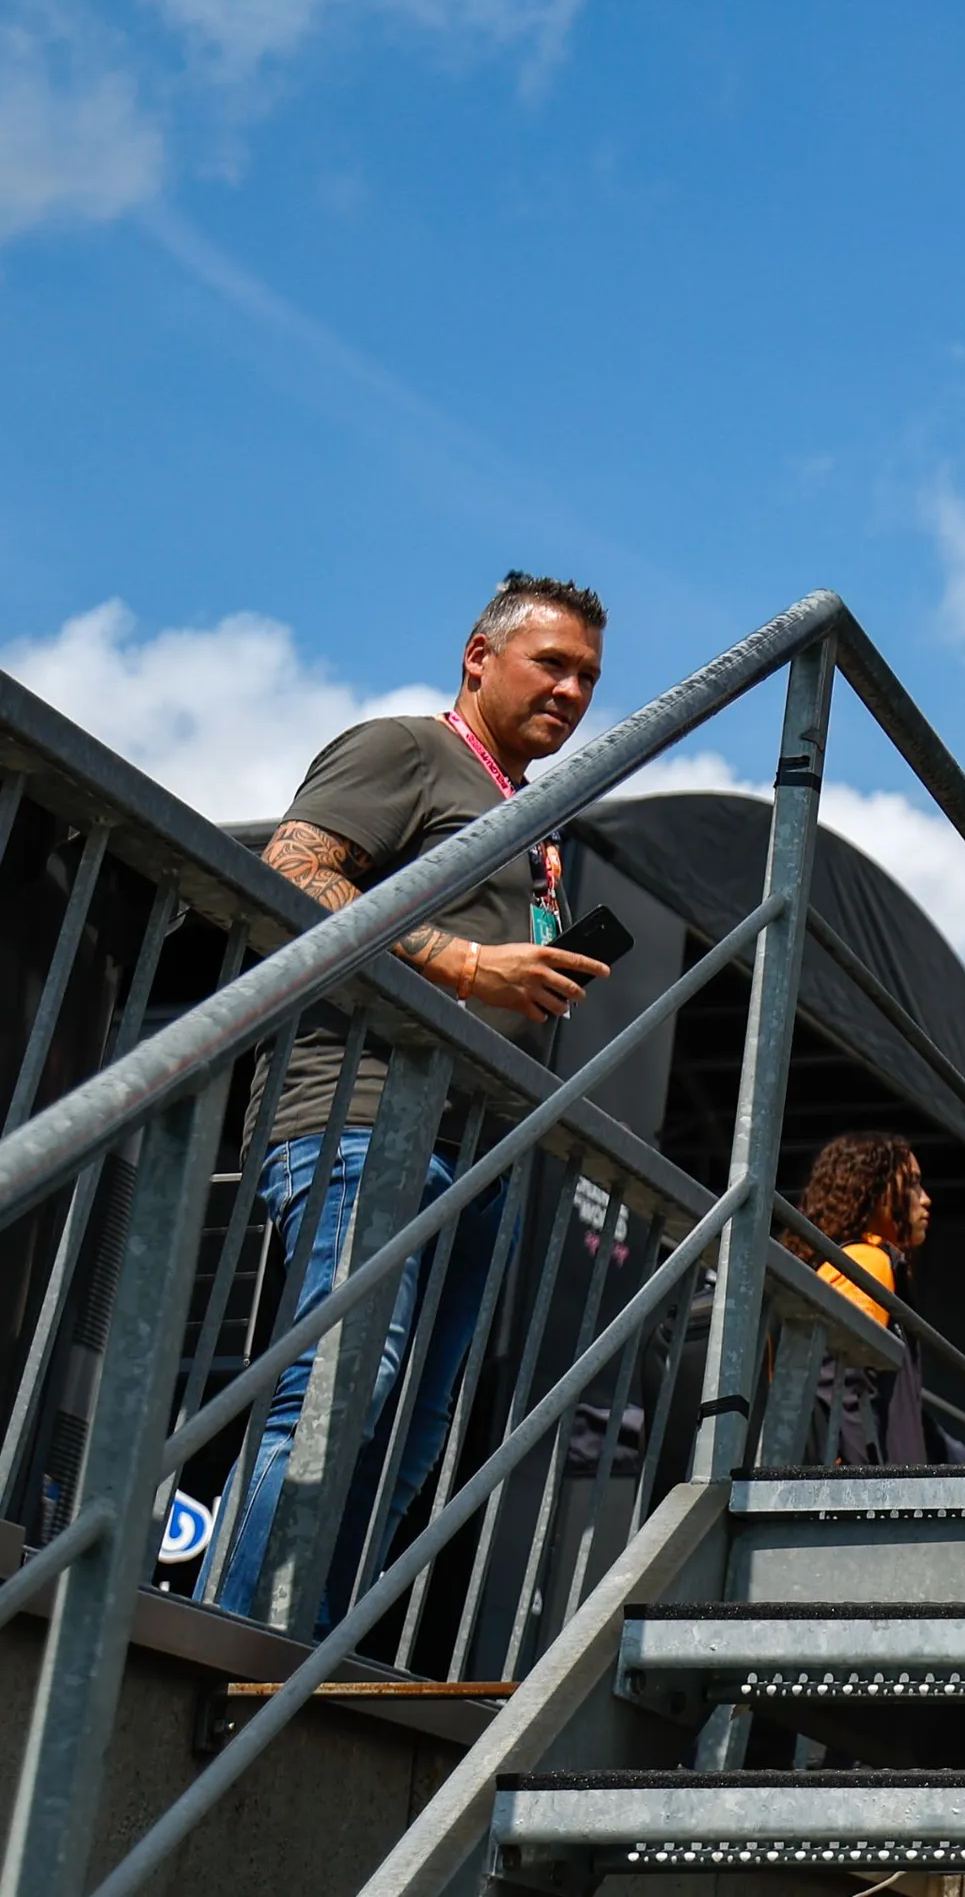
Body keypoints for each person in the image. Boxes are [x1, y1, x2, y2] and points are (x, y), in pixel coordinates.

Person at [222, 572, 616, 1630]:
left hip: (475, 1143)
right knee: (335, 1391)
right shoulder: (404, 749)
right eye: (553, 663)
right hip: (358, 1111)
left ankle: (295, 1654)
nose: (573, 690)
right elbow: (293, 874)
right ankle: (219, 1637)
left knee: (413, 1432)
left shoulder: (530, 811)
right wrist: (462, 962)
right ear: (478, 657)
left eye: (588, 675)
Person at [789, 1130, 938, 1465]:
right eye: (912, 1183)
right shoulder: (867, 1260)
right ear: (873, 1190)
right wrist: (869, 1486)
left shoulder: (844, 1261)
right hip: (855, 1499)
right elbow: (840, 1383)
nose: (925, 1199)